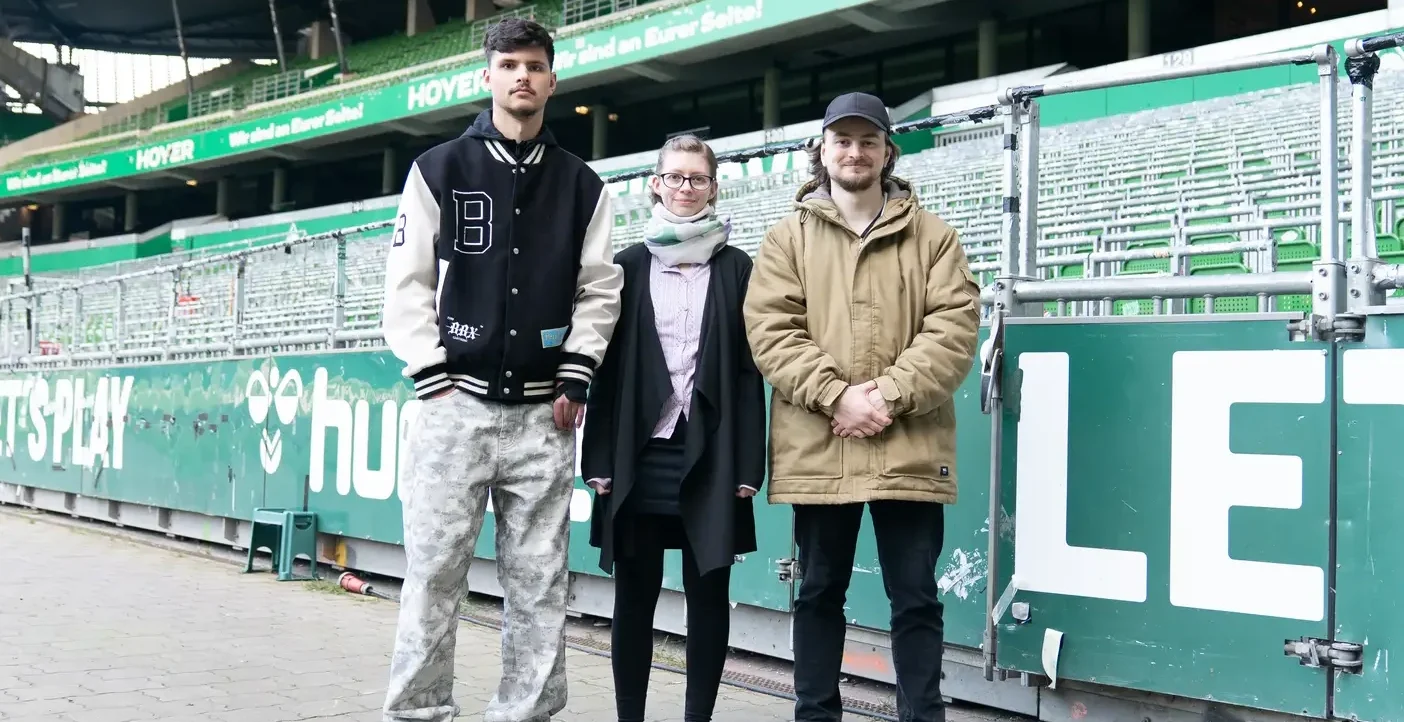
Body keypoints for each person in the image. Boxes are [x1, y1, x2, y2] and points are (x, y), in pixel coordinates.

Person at [379, 16, 623, 722]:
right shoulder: (438, 169)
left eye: (535, 65)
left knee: (540, 584)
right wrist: (431, 371)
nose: (522, 76)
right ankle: (419, 712)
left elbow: (600, 287)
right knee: (432, 576)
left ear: (553, 79)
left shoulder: (584, 185)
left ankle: (527, 714)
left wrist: (577, 372)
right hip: (453, 405)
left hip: (544, 416)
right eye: (509, 64)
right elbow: (406, 283)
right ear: (486, 76)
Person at [742, 92, 980, 722]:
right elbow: (771, 329)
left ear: (887, 151)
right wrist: (836, 397)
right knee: (818, 593)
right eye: (842, 140)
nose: (855, 151)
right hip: (823, 442)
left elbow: (953, 329)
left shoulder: (934, 237)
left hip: (909, 442)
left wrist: (885, 397)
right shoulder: (786, 238)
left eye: (867, 140)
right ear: (822, 150)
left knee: (917, 599)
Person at [580, 134, 766, 722]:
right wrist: (598, 460)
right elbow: (605, 370)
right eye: (676, 177)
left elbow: (746, 371)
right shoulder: (627, 266)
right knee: (634, 596)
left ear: (714, 187)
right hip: (639, 452)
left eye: (698, 179)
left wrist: (748, 466)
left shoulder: (738, 267)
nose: (687, 188)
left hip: (709, 452)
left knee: (708, 594)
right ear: (656, 183)